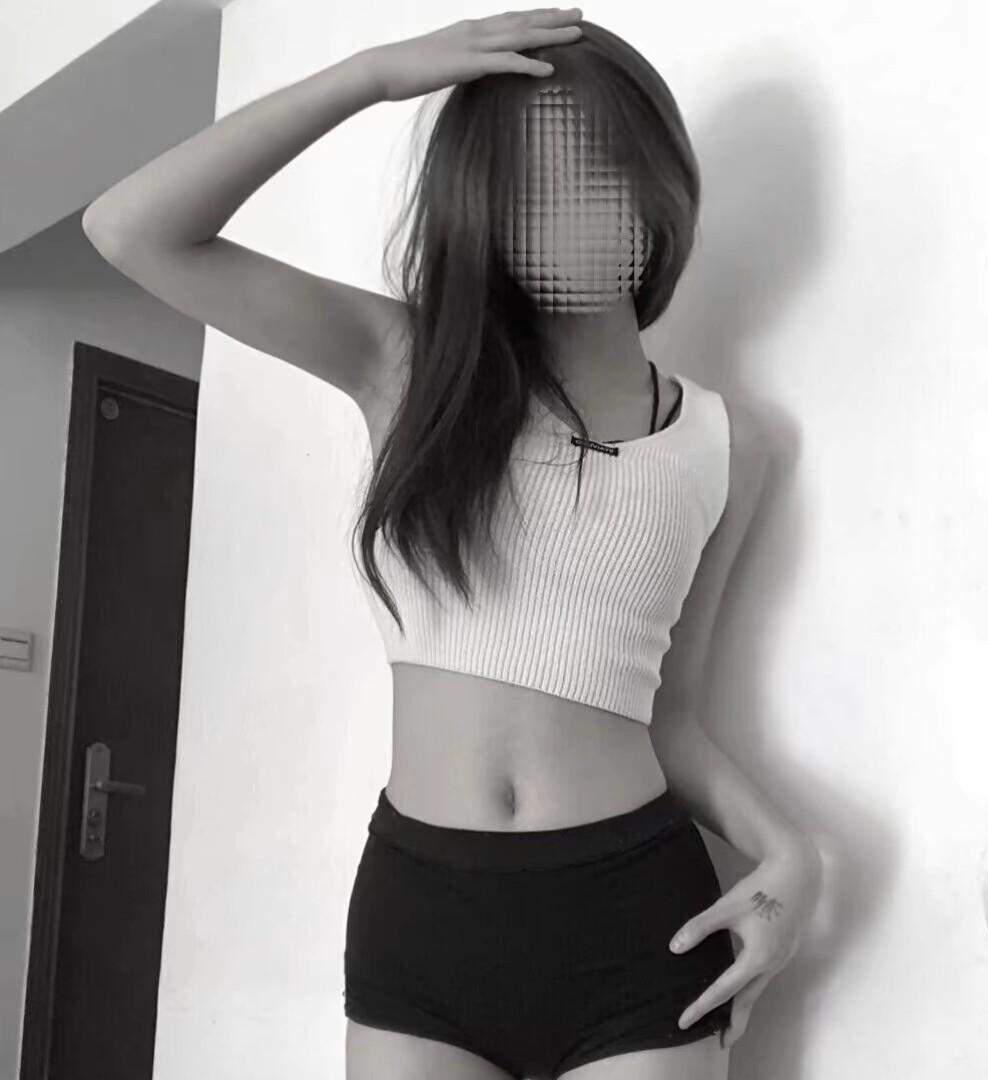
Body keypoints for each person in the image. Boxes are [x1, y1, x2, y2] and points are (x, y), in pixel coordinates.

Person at [83, 9, 823, 1079]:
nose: (563, 209)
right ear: (484, 207)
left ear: (656, 184)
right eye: (525, 182)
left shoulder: (731, 445)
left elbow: (669, 716)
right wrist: (373, 74)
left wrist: (790, 852)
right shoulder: (409, 366)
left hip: (636, 917)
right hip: (425, 916)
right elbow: (132, 229)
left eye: (594, 169)